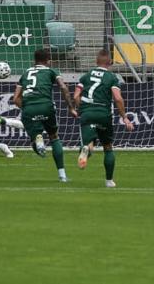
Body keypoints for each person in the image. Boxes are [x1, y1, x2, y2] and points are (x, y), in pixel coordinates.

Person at [13, 49, 78, 182]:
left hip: (29, 107)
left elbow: (15, 99)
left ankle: (37, 138)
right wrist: (71, 107)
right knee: (54, 137)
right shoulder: (52, 71)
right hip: (46, 105)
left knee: (34, 139)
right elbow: (64, 88)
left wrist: (26, 109)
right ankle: (62, 176)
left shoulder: (25, 73)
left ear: (34, 60)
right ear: (48, 60)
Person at [74, 49, 134, 188]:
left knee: (89, 142)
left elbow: (76, 96)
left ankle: (86, 150)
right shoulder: (112, 78)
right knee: (107, 147)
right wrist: (124, 117)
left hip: (87, 112)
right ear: (110, 62)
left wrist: (81, 109)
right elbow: (118, 98)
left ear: (96, 62)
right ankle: (109, 181)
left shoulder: (86, 76)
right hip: (103, 113)